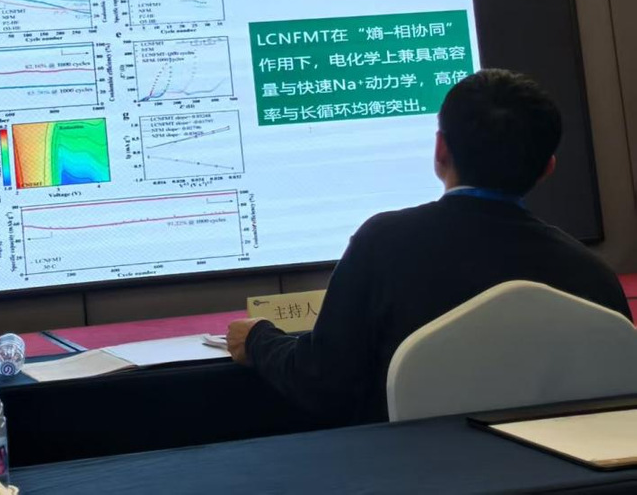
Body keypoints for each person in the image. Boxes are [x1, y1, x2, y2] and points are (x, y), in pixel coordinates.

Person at [227, 68, 630, 427]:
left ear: (440, 150)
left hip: (411, 473)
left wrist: (259, 340)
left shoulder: (382, 244)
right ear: (547, 168)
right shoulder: (591, 275)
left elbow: (322, 383)